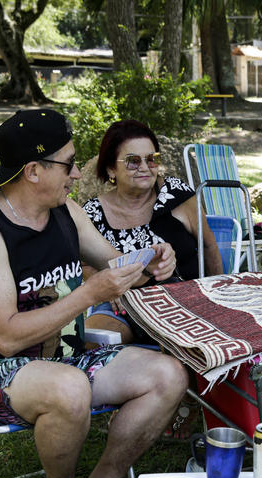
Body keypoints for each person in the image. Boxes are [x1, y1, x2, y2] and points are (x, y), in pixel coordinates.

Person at [0, 108, 188, 478]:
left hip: (67, 360)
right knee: (70, 387)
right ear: (33, 171)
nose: (78, 174)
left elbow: (115, 264)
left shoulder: (65, 211)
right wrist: (88, 293)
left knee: (168, 375)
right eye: (69, 163)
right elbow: (7, 338)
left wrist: (150, 262)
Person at [81, 119, 223, 344]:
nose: (145, 168)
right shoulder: (93, 212)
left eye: (152, 159)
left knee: (182, 347)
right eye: (133, 161)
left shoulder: (176, 194)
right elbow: (86, 267)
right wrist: (110, 288)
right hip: (124, 305)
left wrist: (218, 298)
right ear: (110, 168)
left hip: (185, 303)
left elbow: (209, 246)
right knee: (92, 341)